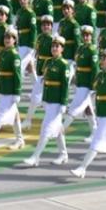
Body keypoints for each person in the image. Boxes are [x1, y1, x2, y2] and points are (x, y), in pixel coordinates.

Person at [70, 49, 106, 179]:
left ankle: (82, 168)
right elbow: (96, 90)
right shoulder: (100, 75)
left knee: (97, 141)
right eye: (102, 58)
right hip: (102, 113)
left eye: (105, 59)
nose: (102, 60)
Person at [22, 36, 71, 167]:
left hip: (57, 102)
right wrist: (44, 99)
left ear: (62, 49)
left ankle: (35, 156)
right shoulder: (48, 62)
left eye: (57, 46)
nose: (54, 48)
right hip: (49, 100)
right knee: (58, 129)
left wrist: (64, 103)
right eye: (53, 46)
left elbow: (65, 86)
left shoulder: (64, 65)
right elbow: (45, 82)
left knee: (46, 129)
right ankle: (63, 154)